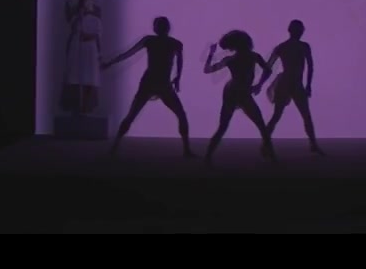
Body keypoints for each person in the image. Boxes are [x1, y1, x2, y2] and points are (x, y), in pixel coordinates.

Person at [101, 16, 195, 157]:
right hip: (158, 83)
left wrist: (110, 63)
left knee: (131, 115)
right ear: (168, 28)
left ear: (156, 28)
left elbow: (128, 54)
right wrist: (178, 78)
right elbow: (180, 62)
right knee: (180, 115)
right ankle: (186, 150)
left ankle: (114, 148)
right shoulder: (171, 43)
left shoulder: (154, 41)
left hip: (154, 83)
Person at [203, 30, 277, 164]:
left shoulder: (232, 59)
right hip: (239, 92)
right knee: (260, 125)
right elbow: (268, 70)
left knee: (223, 126)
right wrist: (259, 85)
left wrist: (211, 53)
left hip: (234, 91)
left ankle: (207, 157)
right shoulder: (253, 56)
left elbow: (207, 70)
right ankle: (272, 157)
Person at [265, 19, 322, 154]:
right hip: (294, 84)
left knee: (278, 115)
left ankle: (265, 143)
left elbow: (268, 66)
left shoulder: (282, 47)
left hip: (288, 83)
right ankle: (313, 145)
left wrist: (260, 83)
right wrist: (308, 85)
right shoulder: (302, 46)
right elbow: (310, 67)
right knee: (303, 115)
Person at [60, 0, 102, 117]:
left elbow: (96, 37)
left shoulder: (96, 20)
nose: (87, 7)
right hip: (77, 50)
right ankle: (76, 107)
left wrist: (100, 54)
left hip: (90, 51)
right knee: (75, 78)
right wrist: (79, 17)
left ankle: (86, 107)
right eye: (84, 5)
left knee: (89, 79)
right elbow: (74, 30)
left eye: (89, 5)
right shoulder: (76, 20)